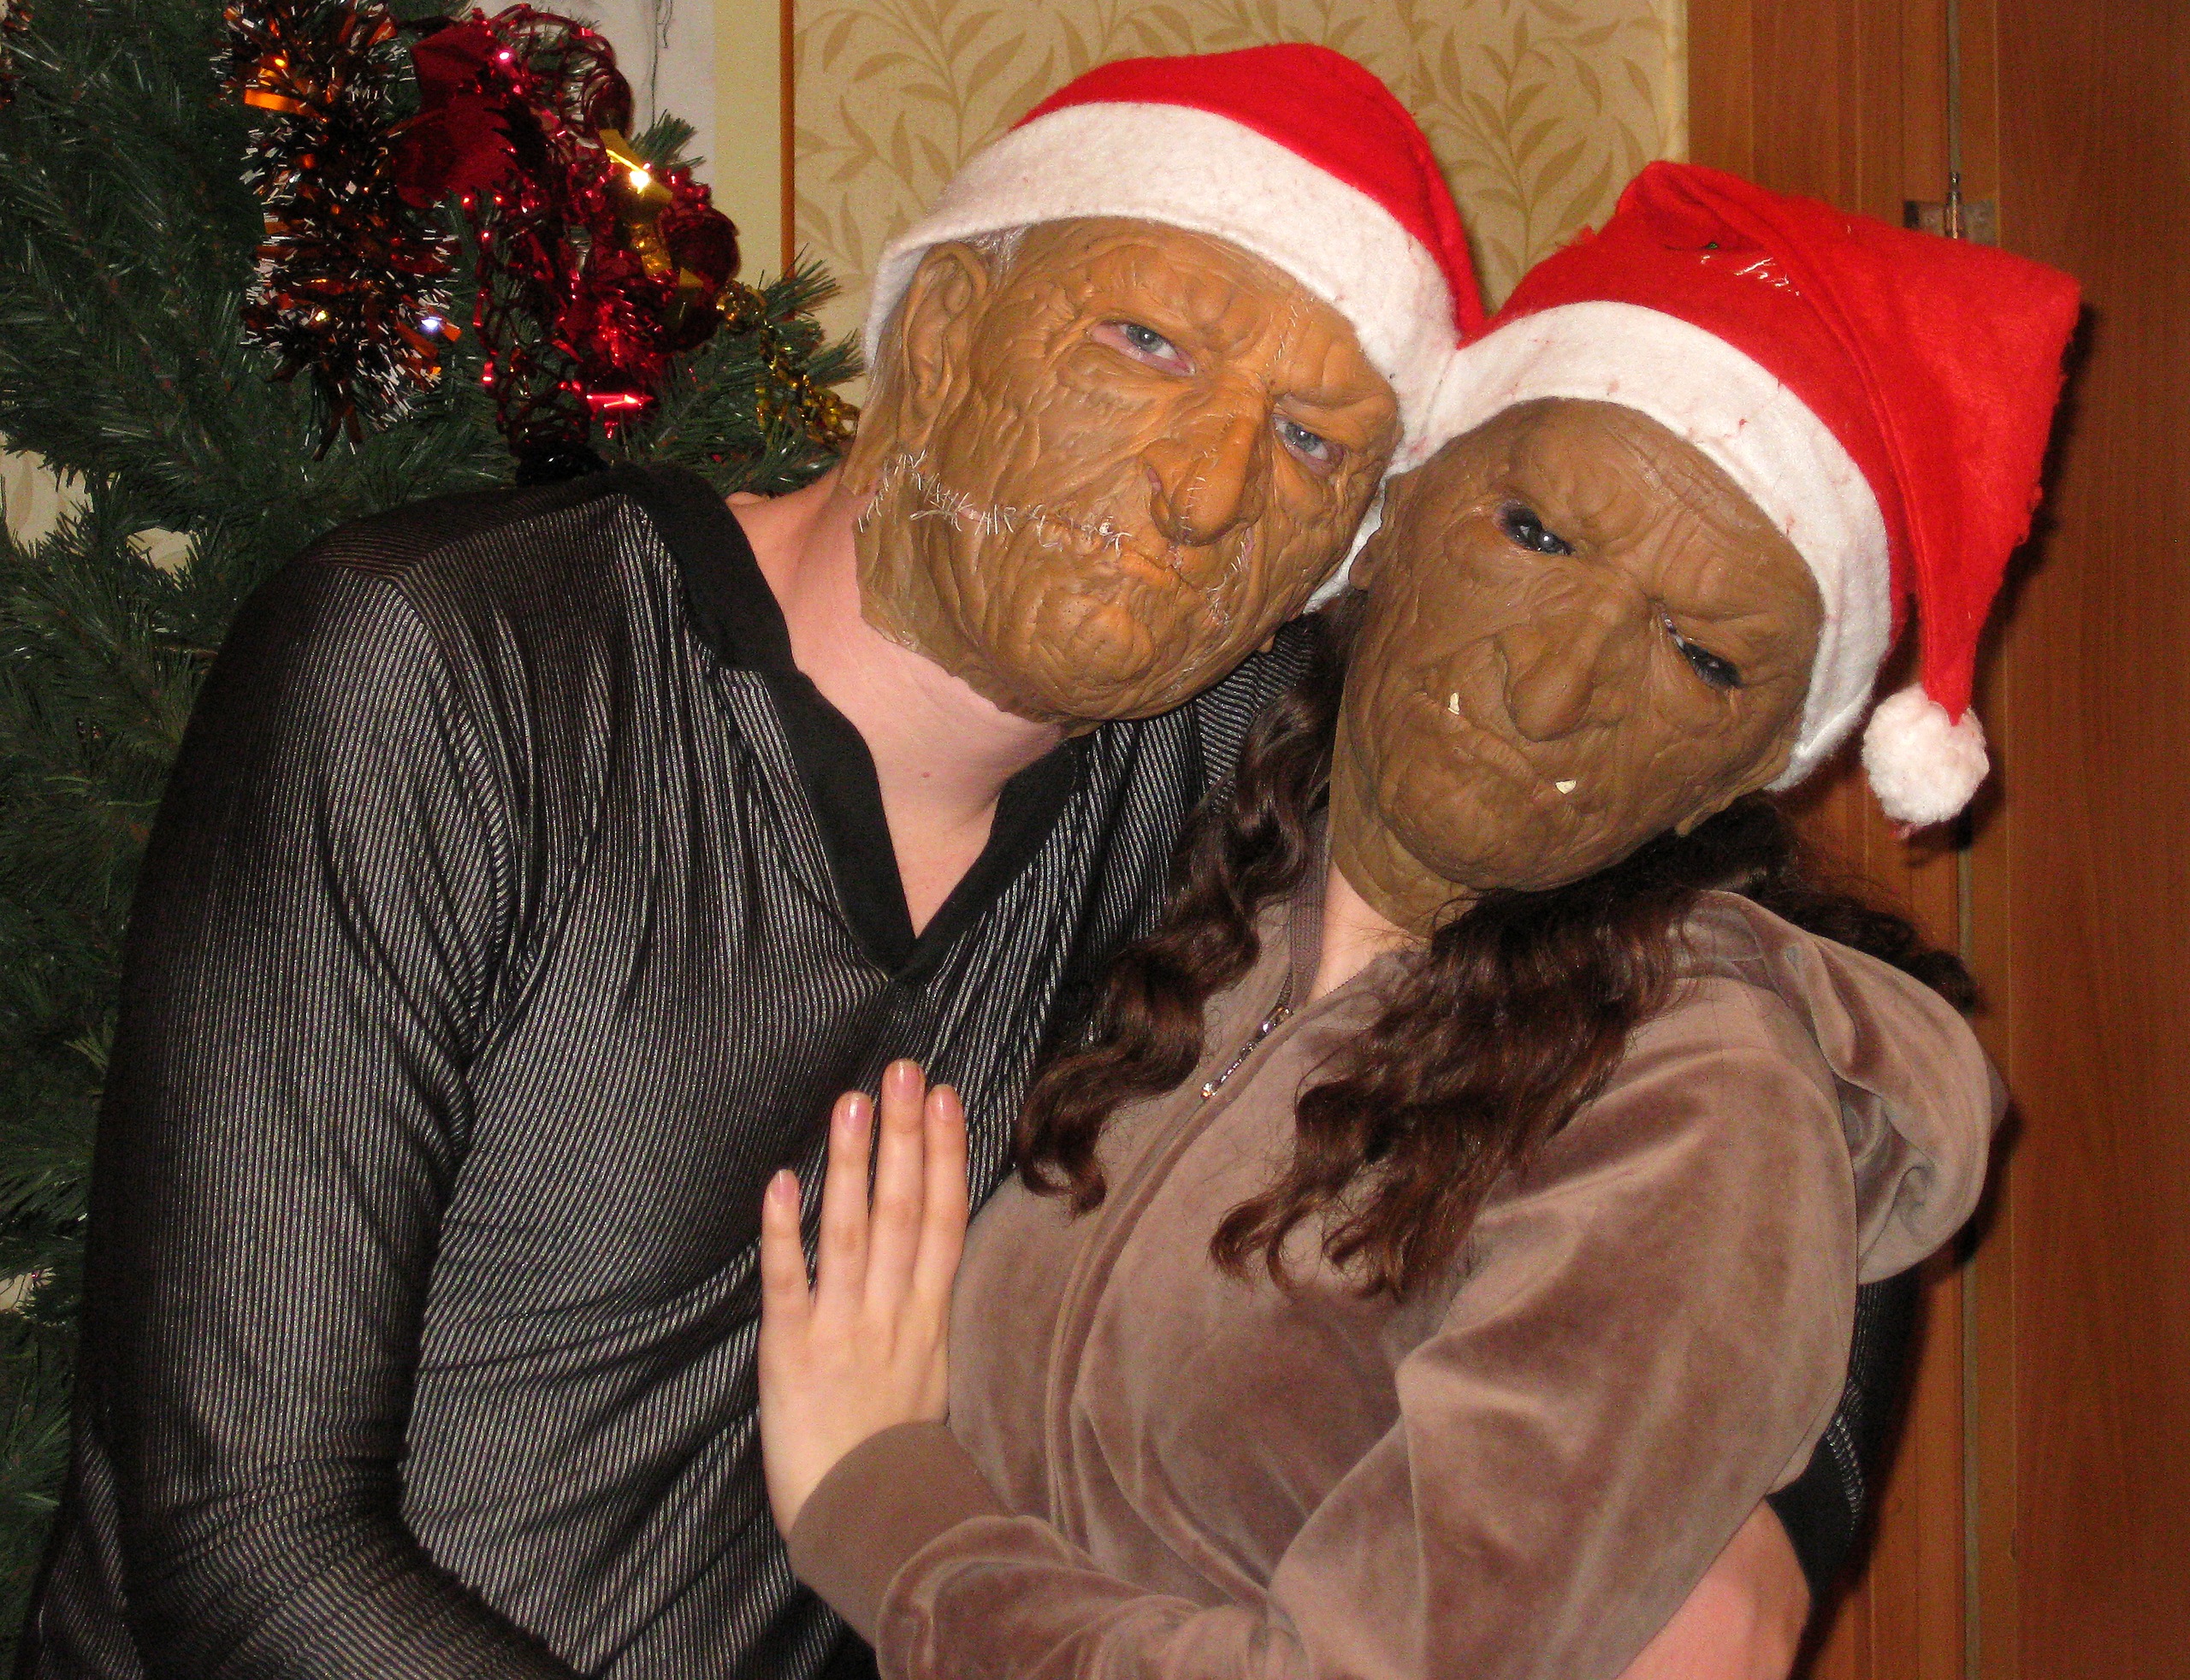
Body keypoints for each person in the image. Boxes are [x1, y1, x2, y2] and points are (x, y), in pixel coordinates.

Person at [755, 163, 2082, 1679]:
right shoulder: (1192, 811)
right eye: (1538, 534)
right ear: (1396, 517)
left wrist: (885, 1511)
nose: (1556, 686)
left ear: (1752, 766)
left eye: (1704, 658)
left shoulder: (1693, 1096)